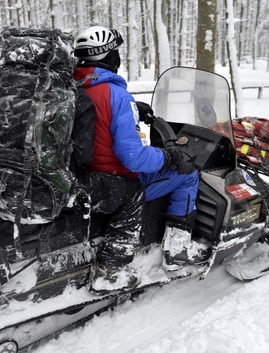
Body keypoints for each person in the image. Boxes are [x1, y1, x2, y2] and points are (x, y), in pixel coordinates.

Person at [72, 26, 208, 295]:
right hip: (115, 176)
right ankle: (176, 252)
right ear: (109, 57)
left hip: (86, 174)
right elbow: (134, 158)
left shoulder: (75, 87)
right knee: (187, 174)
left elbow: (95, 114)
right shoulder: (115, 95)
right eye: (116, 53)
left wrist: (133, 106)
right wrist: (169, 157)